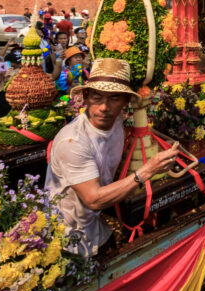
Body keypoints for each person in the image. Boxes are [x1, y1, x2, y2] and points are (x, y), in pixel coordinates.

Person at [45, 58, 178, 257]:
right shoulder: (73, 141)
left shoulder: (117, 123)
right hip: (67, 238)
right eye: (97, 97)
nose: (104, 107)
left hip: (96, 225)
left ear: (126, 101)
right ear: (86, 97)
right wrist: (147, 170)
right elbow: (93, 199)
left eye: (114, 98)